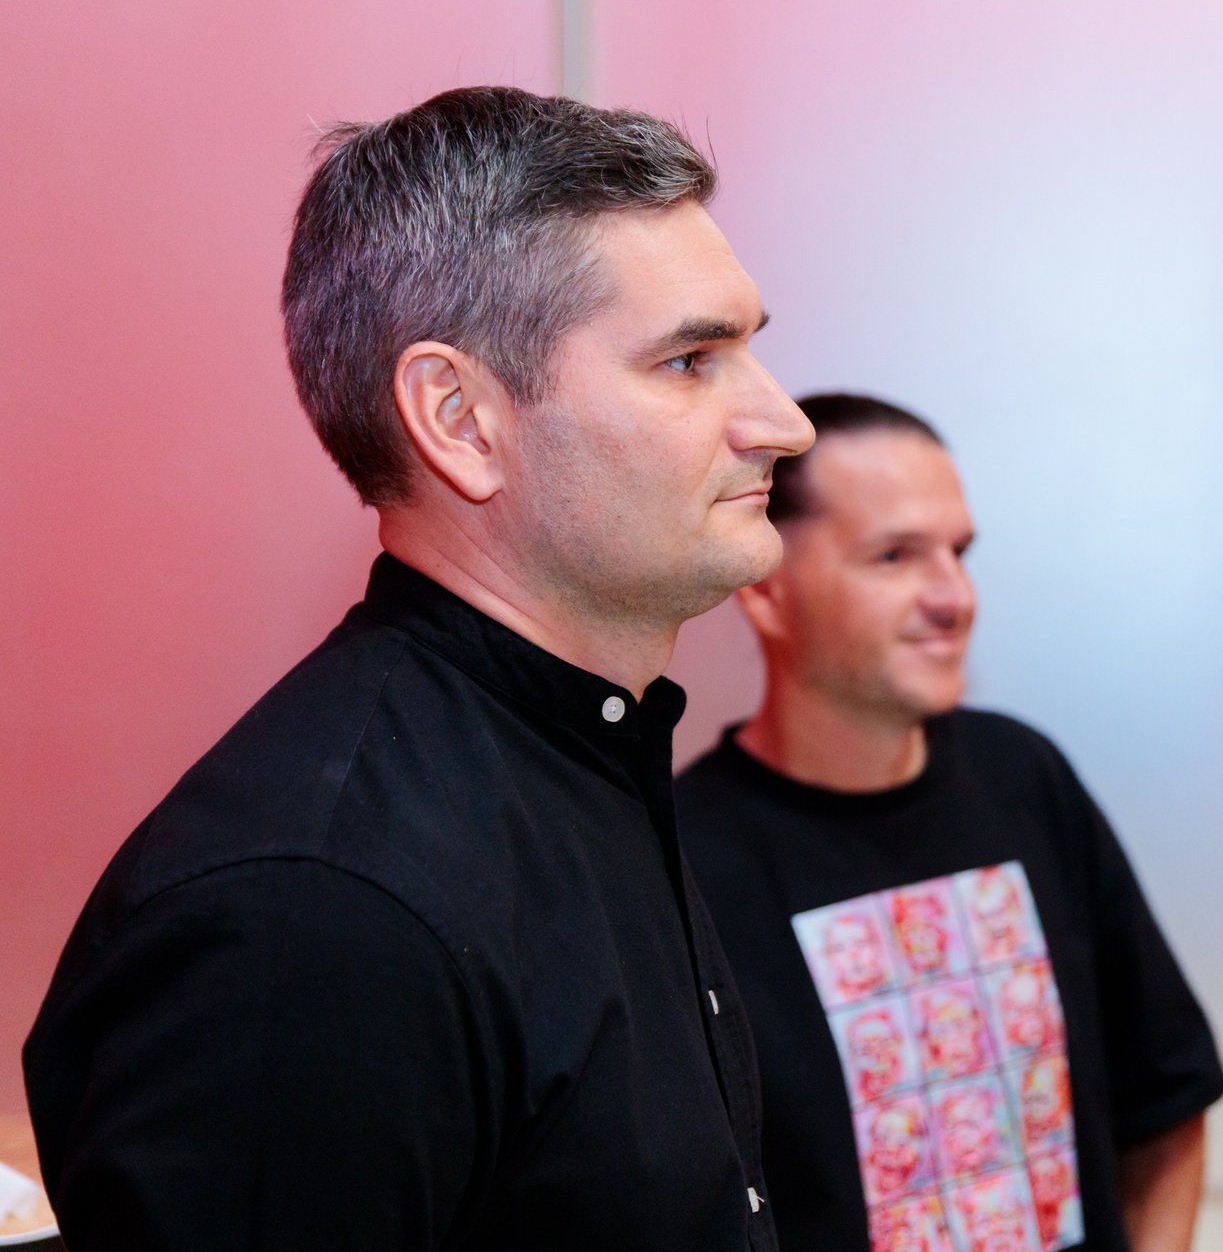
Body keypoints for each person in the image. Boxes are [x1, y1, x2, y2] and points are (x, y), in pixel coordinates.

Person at [24, 88, 814, 1250]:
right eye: (691, 360)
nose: (785, 422)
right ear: (459, 418)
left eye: (748, 349)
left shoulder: (583, 757)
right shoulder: (313, 916)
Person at [675, 394, 1223, 1252]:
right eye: (895, 556)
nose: (954, 597)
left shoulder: (1023, 778)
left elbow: (1166, 1106)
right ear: (768, 590)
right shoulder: (682, 862)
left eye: (959, 553)